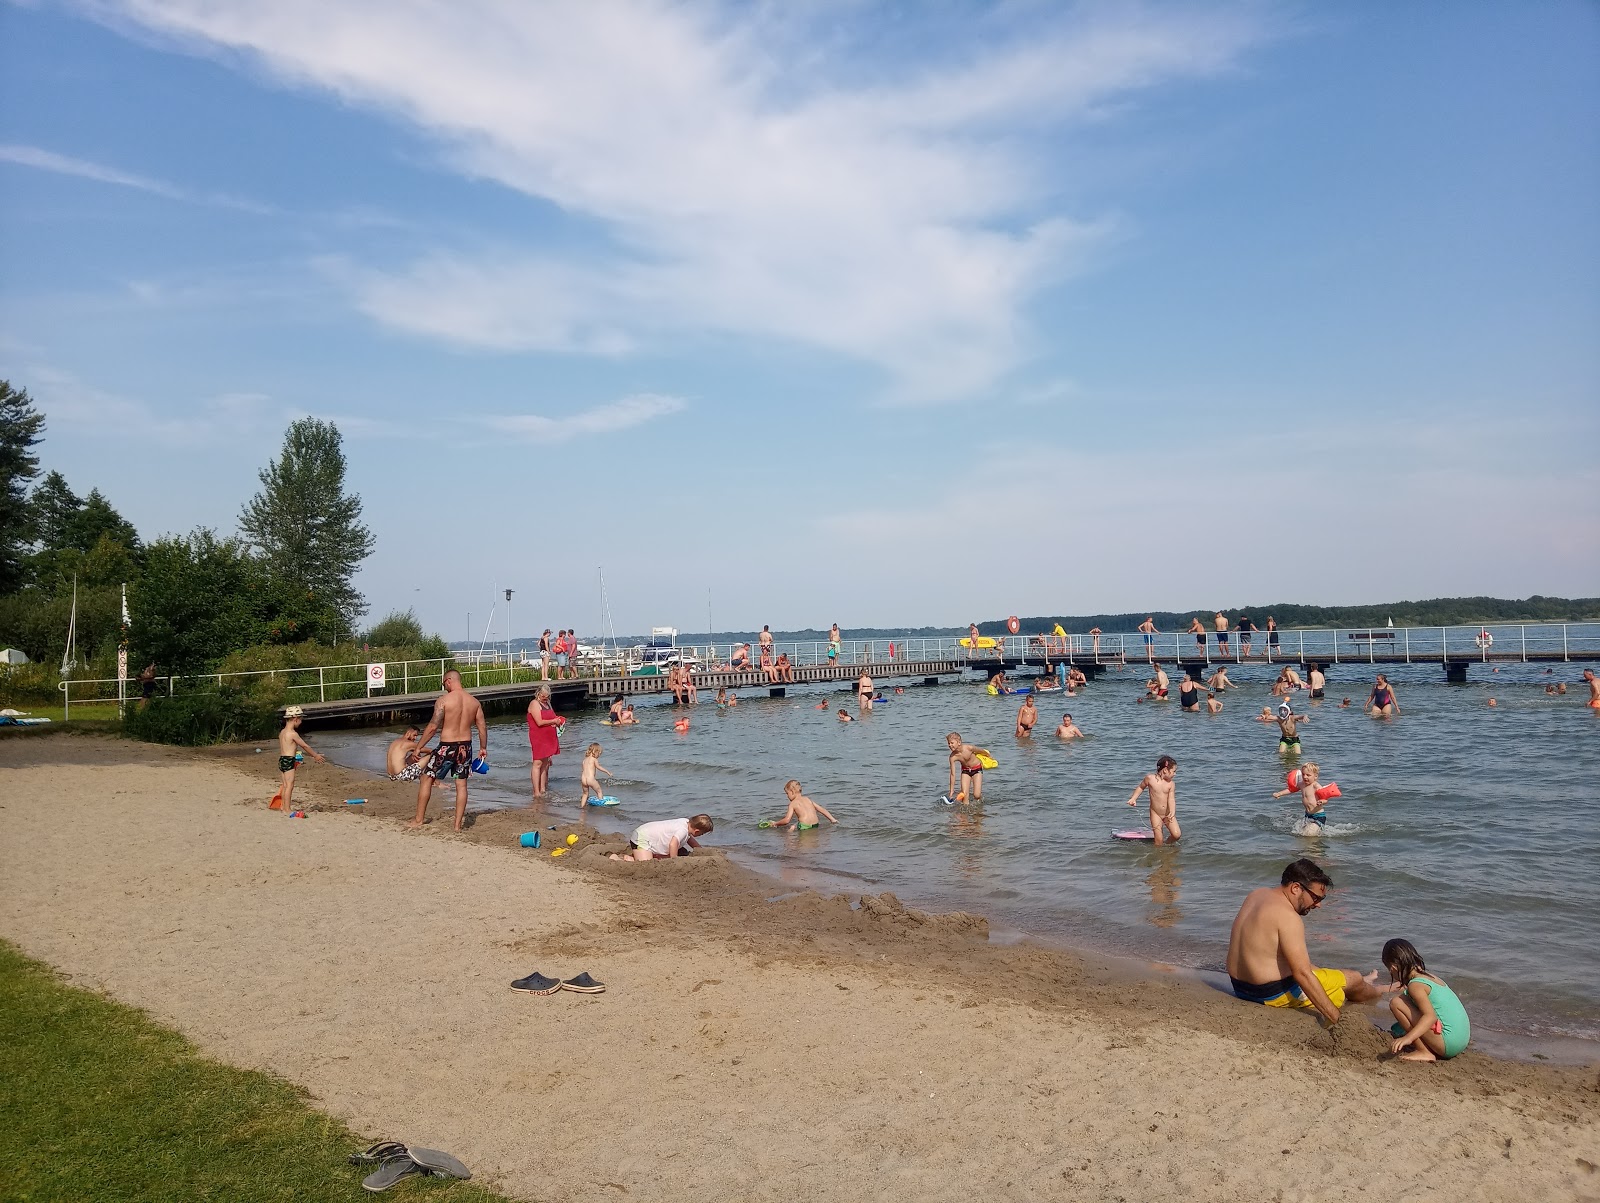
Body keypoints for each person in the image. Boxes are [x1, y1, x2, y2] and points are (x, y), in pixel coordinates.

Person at [1225, 859, 1381, 1022]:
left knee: (1325, 973)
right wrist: (1337, 1019)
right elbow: (1302, 975)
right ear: (1296, 888)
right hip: (1269, 994)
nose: (1318, 905)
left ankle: (1367, 983)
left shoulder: (1257, 894)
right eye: (1316, 898)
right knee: (1352, 979)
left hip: (1240, 987)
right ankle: (1378, 992)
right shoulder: (1288, 917)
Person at [410, 670, 488, 832]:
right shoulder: (474, 702)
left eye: (444, 684)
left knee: (426, 778)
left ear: (449, 681)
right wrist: (483, 748)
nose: (444, 687)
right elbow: (482, 727)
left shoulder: (444, 700)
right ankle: (457, 826)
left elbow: (432, 727)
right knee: (461, 785)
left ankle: (418, 820)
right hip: (465, 747)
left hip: (447, 745)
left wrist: (418, 747)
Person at [1380, 938, 1471, 1062]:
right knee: (1404, 999)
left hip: (1449, 1044)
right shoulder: (1430, 977)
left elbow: (1430, 1017)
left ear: (1393, 967)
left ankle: (1423, 1051)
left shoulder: (1415, 986)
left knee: (1396, 1003)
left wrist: (1409, 1038)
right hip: (1461, 1039)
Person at [275, 705, 324, 811]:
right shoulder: (293, 734)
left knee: (285, 784)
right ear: (295, 719)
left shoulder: (282, 732)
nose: (301, 722)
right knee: (290, 785)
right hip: (289, 760)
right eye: (300, 719)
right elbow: (305, 746)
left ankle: (283, 806)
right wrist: (315, 755)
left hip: (282, 759)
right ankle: (287, 809)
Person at [1125, 755, 1181, 844]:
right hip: (1155, 814)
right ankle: (1158, 853)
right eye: (1174, 771)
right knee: (1159, 840)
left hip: (1167, 813)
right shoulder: (1150, 779)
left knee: (1176, 835)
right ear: (1165, 770)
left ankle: (1168, 845)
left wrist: (1172, 811)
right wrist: (1133, 798)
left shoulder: (1171, 784)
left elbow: (1171, 799)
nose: (1175, 774)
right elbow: (1140, 787)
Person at [610, 814, 714, 861]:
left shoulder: (685, 823)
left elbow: (690, 840)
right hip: (641, 838)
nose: (700, 836)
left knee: (671, 855)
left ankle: (642, 855)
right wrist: (674, 861)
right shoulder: (682, 830)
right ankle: (622, 859)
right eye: (701, 834)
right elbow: (673, 844)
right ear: (697, 831)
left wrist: (700, 850)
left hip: (644, 833)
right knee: (646, 864)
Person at [525, 683, 564, 800]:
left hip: (549, 737)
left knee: (546, 763)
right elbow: (539, 722)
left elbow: (552, 718)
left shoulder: (548, 704)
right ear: (538, 694)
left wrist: (558, 722)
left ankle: (543, 789)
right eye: (543, 696)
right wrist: (553, 721)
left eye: (547, 696)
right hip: (538, 736)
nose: (545, 698)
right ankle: (536, 791)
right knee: (537, 763)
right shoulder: (534, 704)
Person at [1273, 761, 1329, 830]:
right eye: (1303, 774)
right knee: (1303, 834)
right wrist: (1279, 793)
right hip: (1308, 815)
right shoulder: (1301, 784)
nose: (1305, 777)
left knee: (1309, 833)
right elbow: (1291, 790)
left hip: (1319, 815)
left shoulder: (1316, 786)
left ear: (1315, 776)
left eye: (1308, 775)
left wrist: (1322, 801)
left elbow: (1325, 799)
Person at [764, 779, 837, 831]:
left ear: (792, 792)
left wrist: (776, 824)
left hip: (805, 827)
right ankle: (794, 826)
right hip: (816, 825)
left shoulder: (793, 804)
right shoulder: (807, 799)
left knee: (789, 834)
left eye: (787, 793)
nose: (787, 796)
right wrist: (832, 819)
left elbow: (786, 820)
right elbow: (821, 809)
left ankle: (791, 830)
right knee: (797, 824)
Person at [945, 732, 985, 802]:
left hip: (977, 769)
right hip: (965, 771)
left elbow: (981, 751)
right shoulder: (952, 757)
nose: (950, 745)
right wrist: (951, 791)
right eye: (948, 743)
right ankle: (965, 811)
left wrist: (989, 757)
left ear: (959, 742)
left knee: (977, 795)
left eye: (952, 743)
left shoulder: (969, 748)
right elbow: (952, 774)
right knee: (964, 795)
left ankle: (979, 805)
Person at [579, 742, 613, 808]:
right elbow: (599, 767)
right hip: (590, 779)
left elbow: (583, 770)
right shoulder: (594, 759)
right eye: (599, 753)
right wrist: (608, 772)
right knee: (599, 791)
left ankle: (582, 807)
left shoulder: (584, 760)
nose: (598, 756)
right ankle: (601, 806)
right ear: (596, 751)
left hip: (583, 779)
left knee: (585, 794)